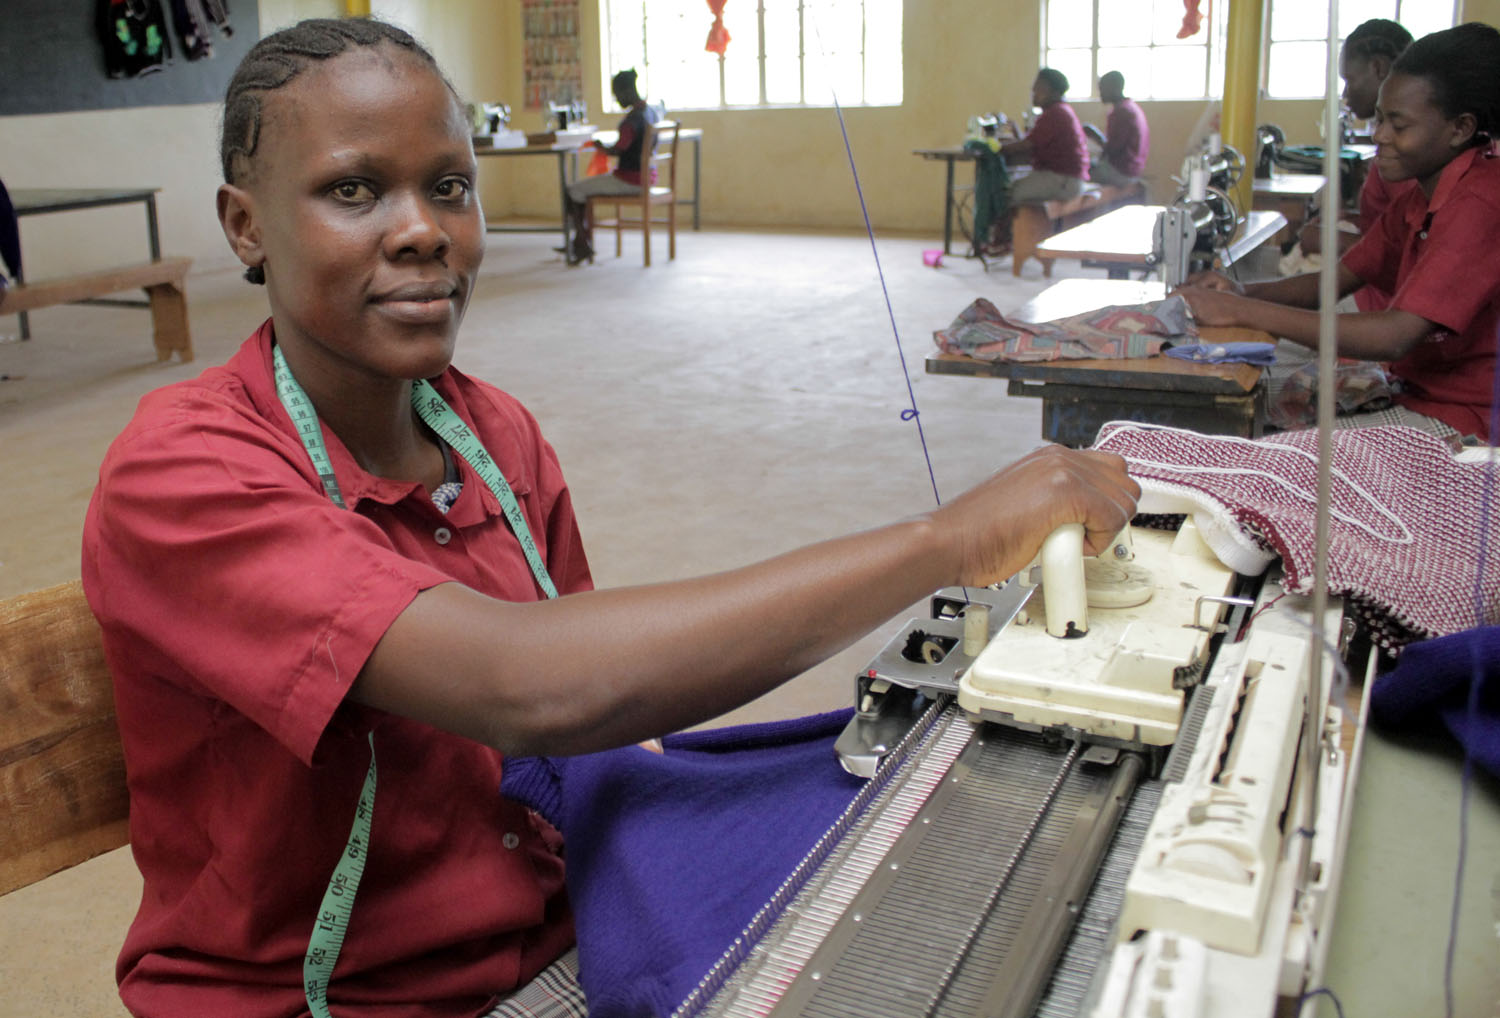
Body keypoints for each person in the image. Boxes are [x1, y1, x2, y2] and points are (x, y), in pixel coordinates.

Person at [79, 18, 1140, 1018]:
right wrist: (945, 541)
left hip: (557, 934)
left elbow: (596, 719)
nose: (421, 231)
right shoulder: (184, 472)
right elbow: (533, 687)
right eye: (352, 190)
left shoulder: (494, 435)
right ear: (246, 225)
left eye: (449, 187)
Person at [1176, 23, 1500, 444]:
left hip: (1465, 419)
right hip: (1413, 388)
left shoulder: (1480, 202)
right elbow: (1332, 283)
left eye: (1398, 125)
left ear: (1460, 128)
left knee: (1265, 450)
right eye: (1380, 119)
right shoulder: (1419, 199)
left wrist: (1241, 311)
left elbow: (1394, 336)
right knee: (1233, 400)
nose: (1379, 135)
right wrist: (1240, 292)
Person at [1295, 18, 1416, 312]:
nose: (1345, 94)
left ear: (1378, 68)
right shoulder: (1398, 146)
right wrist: (1352, 219)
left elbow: (1410, 254)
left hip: (1385, 303)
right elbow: (1392, 225)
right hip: (1376, 292)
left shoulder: (1404, 153)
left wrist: (1331, 239)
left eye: (1349, 80)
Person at [561, 69, 659, 265]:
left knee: (572, 191)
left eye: (617, 94)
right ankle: (580, 240)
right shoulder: (651, 113)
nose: (617, 99)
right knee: (582, 189)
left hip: (629, 180)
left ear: (627, 91)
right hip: (648, 177)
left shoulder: (630, 121)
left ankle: (582, 241)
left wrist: (601, 147)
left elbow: (618, 150)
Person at [1001, 68, 1091, 205]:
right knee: (1013, 181)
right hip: (1066, 178)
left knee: (1006, 193)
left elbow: (1027, 146)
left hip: (1064, 179)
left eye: (1039, 88)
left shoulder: (1055, 113)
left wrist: (996, 148)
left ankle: (1013, 220)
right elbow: (1033, 142)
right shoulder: (1061, 110)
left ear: (1054, 92)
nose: (1034, 92)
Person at [1084, 71, 1149, 188]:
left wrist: (1094, 136)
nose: (1100, 94)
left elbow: (1112, 150)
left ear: (1114, 88)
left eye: (1102, 89)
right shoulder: (1131, 106)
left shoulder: (1121, 112)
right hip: (1133, 169)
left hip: (1121, 172)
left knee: (1076, 172)